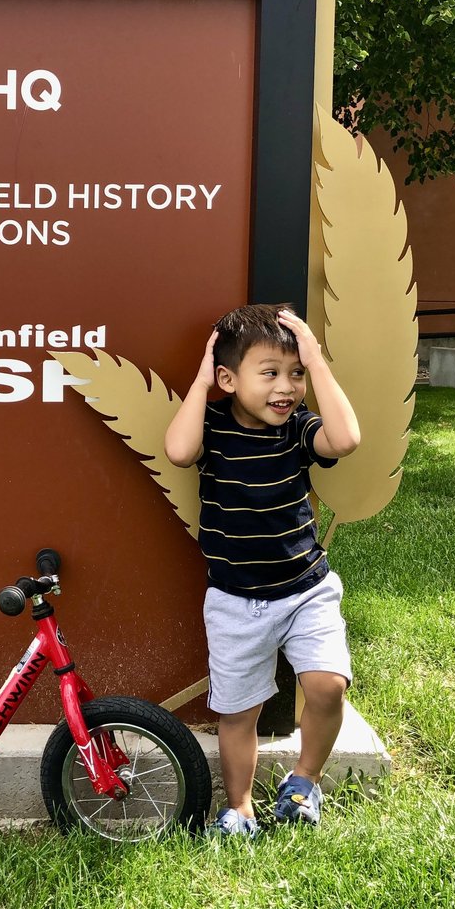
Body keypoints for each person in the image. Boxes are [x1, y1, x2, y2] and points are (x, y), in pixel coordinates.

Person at [164, 304, 361, 837]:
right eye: (270, 372)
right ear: (229, 379)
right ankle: (241, 808)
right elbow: (179, 451)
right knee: (239, 711)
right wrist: (205, 383)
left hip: (305, 589)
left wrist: (317, 362)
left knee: (326, 686)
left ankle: (303, 783)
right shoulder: (211, 423)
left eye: (295, 374)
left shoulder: (298, 429)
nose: (287, 387)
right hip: (234, 600)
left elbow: (344, 440)